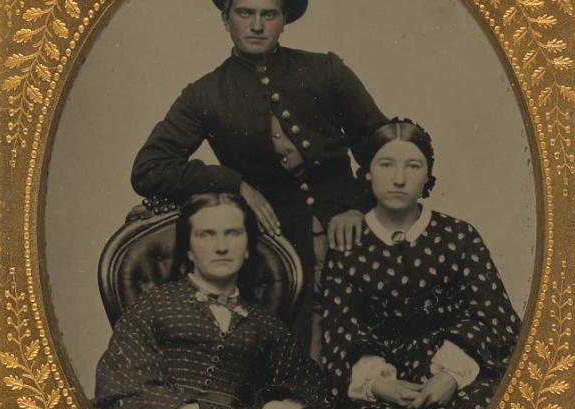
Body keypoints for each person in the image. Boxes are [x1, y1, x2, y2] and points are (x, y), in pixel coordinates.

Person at [130, 0, 389, 349]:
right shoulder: (205, 94)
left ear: (284, 21)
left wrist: (357, 206)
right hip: (277, 241)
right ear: (226, 19)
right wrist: (233, 184)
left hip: (353, 228)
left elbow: (382, 149)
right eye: (245, 13)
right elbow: (148, 169)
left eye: (269, 14)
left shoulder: (325, 70)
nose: (256, 25)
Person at [319, 119, 521, 409]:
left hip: (459, 378)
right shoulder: (349, 245)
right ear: (367, 172)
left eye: (413, 166)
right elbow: (342, 325)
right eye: (386, 165)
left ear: (427, 176)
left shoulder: (458, 236)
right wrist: (379, 383)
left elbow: (491, 313)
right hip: (382, 388)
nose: (399, 179)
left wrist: (451, 376)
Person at [93, 193, 335, 409]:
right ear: (187, 248)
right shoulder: (154, 304)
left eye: (232, 233)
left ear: (248, 247)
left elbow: (308, 390)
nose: (221, 246)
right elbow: (120, 382)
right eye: (206, 234)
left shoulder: (266, 325)